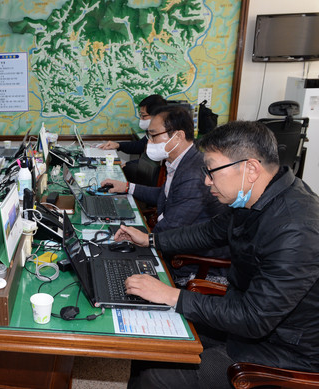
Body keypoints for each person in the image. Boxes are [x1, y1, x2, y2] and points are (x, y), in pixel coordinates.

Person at [115, 121, 319, 388]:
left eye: (212, 170)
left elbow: (254, 318)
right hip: (247, 320)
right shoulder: (256, 195)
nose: (206, 180)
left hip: (282, 349)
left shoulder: (295, 230)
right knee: (151, 338)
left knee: (156, 379)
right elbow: (209, 232)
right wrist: (150, 239)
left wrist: (172, 295)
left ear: (251, 169)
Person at [101, 106, 226, 258]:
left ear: (178, 136)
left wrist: (144, 238)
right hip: (166, 237)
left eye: (154, 136)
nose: (149, 143)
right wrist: (127, 187)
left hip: (189, 257)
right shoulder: (180, 160)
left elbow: (171, 230)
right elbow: (166, 194)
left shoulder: (194, 176)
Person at [98, 95, 167, 184]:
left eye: (144, 116)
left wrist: (129, 165)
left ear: (157, 116)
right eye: (140, 115)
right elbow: (140, 145)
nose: (141, 119)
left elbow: (154, 165)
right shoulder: (152, 131)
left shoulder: (164, 136)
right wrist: (118, 145)